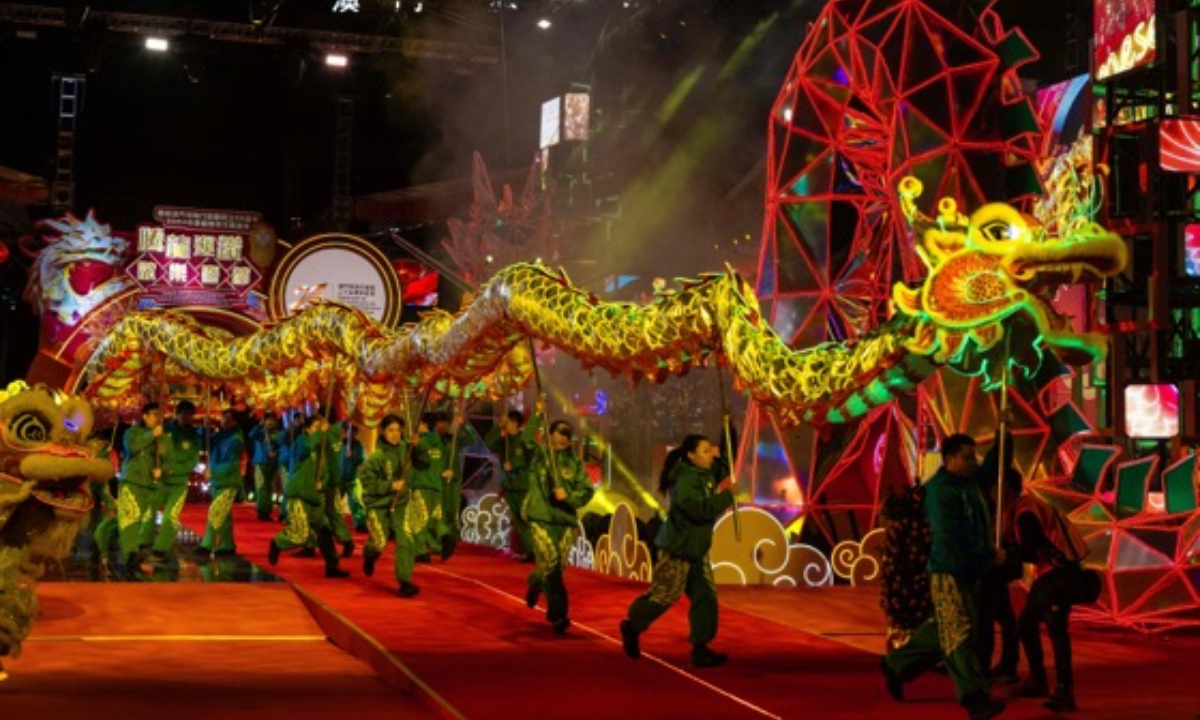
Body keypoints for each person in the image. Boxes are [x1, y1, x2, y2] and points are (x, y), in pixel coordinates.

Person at [881, 433, 1006, 720]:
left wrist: (1005, 432)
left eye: (974, 456)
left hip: (970, 570)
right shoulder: (939, 492)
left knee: (944, 631)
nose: (972, 462)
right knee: (959, 634)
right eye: (966, 457)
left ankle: (896, 664)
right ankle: (974, 698)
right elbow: (951, 538)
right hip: (950, 570)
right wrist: (987, 555)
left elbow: (995, 465)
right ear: (949, 459)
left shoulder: (970, 482)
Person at [620, 432, 735, 668]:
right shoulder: (686, 479)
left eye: (710, 449)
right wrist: (727, 497)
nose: (710, 455)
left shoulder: (706, 473)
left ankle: (700, 648)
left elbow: (727, 462)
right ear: (691, 455)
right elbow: (697, 509)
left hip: (697, 549)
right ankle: (632, 624)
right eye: (705, 451)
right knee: (666, 594)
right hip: (678, 548)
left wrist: (728, 434)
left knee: (705, 597)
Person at [1008, 470, 1100, 713]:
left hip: (1057, 576)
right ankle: (1042, 681)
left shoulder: (1025, 512)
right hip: (1056, 574)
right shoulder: (1029, 506)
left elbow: (1034, 545)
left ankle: (1063, 689)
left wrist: (1008, 554)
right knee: (1027, 625)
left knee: (1054, 630)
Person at [523, 419, 595, 635]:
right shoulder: (538, 456)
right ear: (550, 433)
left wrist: (569, 497)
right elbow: (527, 439)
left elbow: (587, 491)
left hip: (565, 521)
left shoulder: (575, 464)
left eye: (568, 434)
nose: (565, 438)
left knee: (555, 569)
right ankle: (558, 615)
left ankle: (535, 581)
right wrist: (536, 415)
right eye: (561, 433)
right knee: (553, 569)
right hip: (541, 518)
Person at [267, 416, 350, 578]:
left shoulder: (322, 450)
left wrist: (323, 483)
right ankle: (277, 543)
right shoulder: (301, 442)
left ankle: (332, 565)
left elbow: (326, 471)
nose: (319, 430)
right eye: (316, 427)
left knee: (325, 531)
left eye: (321, 427)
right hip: (299, 495)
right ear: (307, 429)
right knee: (300, 535)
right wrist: (320, 434)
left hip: (315, 498)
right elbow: (306, 447)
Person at [359, 414, 421, 597]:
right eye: (390, 430)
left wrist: (419, 446)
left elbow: (424, 462)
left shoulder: (407, 450)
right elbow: (367, 483)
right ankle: (370, 556)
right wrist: (390, 486)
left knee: (406, 539)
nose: (395, 434)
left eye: (398, 430)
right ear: (382, 432)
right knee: (379, 542)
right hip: (378, 504)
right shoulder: (376, 457)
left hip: (400, 503)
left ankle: (404, 581)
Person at [141, 399, 201, 561]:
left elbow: (192, 460)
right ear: (177, 413)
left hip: (179, 483)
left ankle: (161, 547)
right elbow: (152, 451)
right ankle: (142, 540)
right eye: (183, 414)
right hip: (159, 479)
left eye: (189, 415)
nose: (186, 418)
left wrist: (173, 469)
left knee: (171, 515)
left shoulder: (194, 436)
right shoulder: (164, 430)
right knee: (149, 510)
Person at [485, 403, 543, 561]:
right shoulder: (503, 441)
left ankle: (534, 550)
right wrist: (498, 426)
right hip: (510, 486)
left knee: (525, 518)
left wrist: (515, 464)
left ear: (516, 423)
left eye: (509, 422)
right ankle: (528, 551)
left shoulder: (524, 440)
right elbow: (488, 444)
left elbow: (531, 460)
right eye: (505, 422)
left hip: (523, 484)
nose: (507, 424)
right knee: (517, 520)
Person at [118, 402, 170, 577]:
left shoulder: (163, 437)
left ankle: (109, 539)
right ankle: (131, 557)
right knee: (130, 519)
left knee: (138, 521)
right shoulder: (132, 432)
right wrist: (150, 435)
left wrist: (161, 470)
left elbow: (166, 458)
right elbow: (132, 448)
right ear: (145, 416)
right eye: (154, 414)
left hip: (149, 484)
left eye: (159, 415)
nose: (157, 418)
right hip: (132, 481)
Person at [199, 409, 246, 556]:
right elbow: (203, 442)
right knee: (224, 515)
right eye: (223, 418)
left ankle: (207, 544)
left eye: (227, 419)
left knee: (216, 512)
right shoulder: (220, 436)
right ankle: (227, 545)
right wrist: (204, 428)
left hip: (228, 482)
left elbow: (231, 465)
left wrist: (213, 470)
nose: (223, 421)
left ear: (235, 422)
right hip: (217, 481)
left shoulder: (236, 440)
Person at [249, 412, 285, 521]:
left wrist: (277, 453)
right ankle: (263, 511)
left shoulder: (279, 434)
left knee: (272, 487)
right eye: (267, 420)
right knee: (262, 487)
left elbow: (283, 446)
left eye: (272, 420)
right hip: (261, 462)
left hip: (274, 463)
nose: (270, 422)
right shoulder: (260, 433)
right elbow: (251, 435)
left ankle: (274, 510)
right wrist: (259, 425)